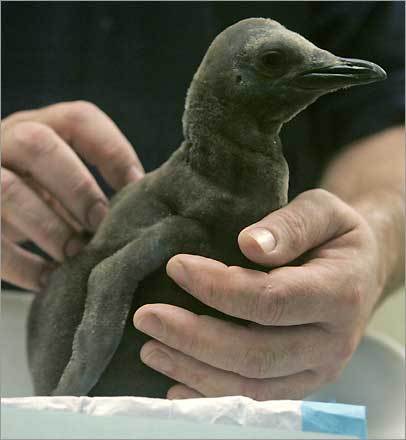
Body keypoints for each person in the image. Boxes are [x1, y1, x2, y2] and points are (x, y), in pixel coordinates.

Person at [1, 2, 404, 400]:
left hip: (250, 387)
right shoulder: (192, 211)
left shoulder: (238, 186)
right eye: (274, 62)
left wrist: (370, 245)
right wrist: (63, 403)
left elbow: (389, 117)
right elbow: (108, 277)